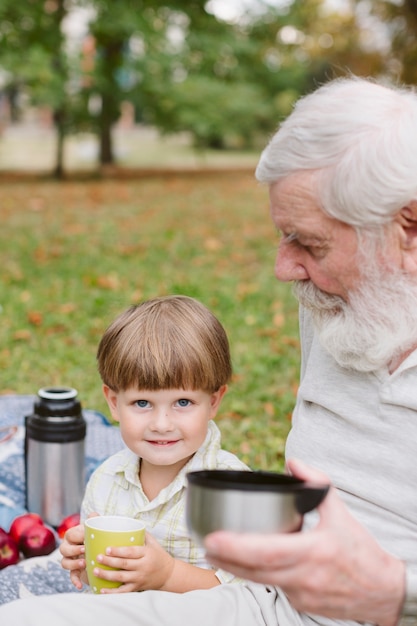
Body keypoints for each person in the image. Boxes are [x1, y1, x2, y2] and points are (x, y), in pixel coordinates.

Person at [0, 75, 416, 624]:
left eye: (310, 244)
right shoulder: (333, 296)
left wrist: (396, 593)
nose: (284, 268)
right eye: (285, 235)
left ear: (408, 227)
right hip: (259, 603)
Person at [62, 295, 250, 593]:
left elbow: (248, 593)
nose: (162, 423)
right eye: (142, 403)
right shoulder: (106, 480)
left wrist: (167, 576)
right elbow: (105, 580)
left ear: (213, 402)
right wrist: (86, 565)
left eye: (183, 402)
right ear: (113, 402)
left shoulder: (234, 490)